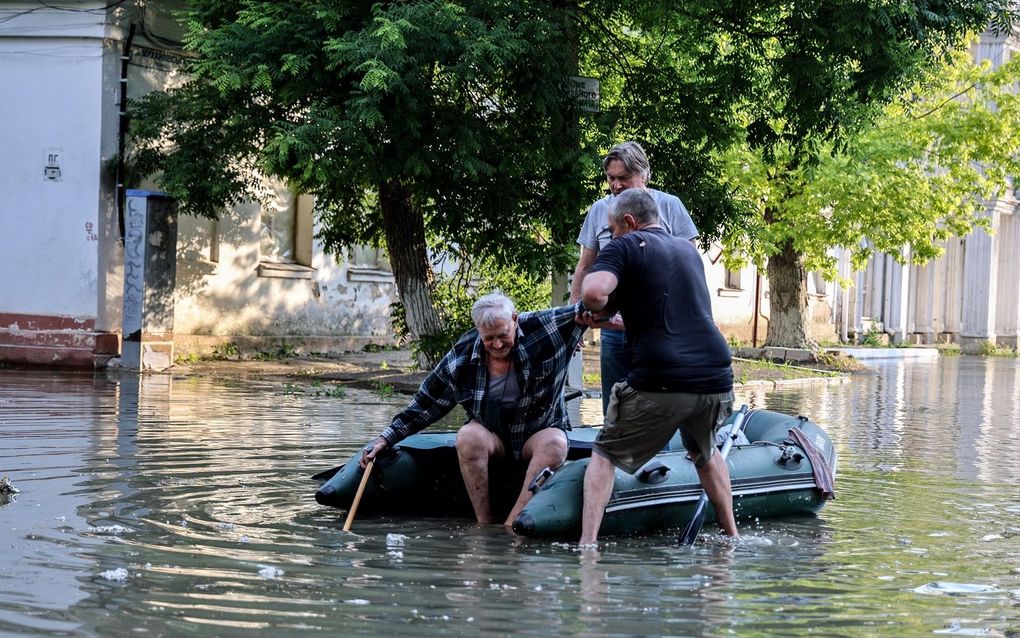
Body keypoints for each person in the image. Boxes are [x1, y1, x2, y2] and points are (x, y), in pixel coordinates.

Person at [577, 188, 735, 546]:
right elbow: (665, 314)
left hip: (662, 378)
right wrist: (614, 318)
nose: (612, 236)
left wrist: (591, 298)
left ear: (629, 223)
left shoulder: (626, 244)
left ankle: (587, 548)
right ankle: (732, 537)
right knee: (704, 453)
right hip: (715, 378)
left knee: (604, 453)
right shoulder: (687, 251)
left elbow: (595, 292)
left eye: (613, 229)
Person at [359, 291, 587, 527]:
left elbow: (589, 308)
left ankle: (512, 526)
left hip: (539, 431)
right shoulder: (461, 356)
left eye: (503, 335)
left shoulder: (544, 326)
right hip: (492, 436)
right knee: (467, 436)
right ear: (478, 329)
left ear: (515, 320)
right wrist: (386, 438)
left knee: (556, 444)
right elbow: (425, 404)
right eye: (489, 339)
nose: (497, 344)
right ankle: (484, 525)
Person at [569, 141, 700, 414]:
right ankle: (613, 452)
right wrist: (575, 318)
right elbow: (584, 268)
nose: (616, 185)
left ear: (645, 175)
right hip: (615, 327)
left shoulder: (670, 206)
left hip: (659, 327)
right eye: (611, 178)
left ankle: (659, 455)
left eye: (624, 178)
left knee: (658, 405)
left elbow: (689, 266)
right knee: (615, 406)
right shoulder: (598, 210)